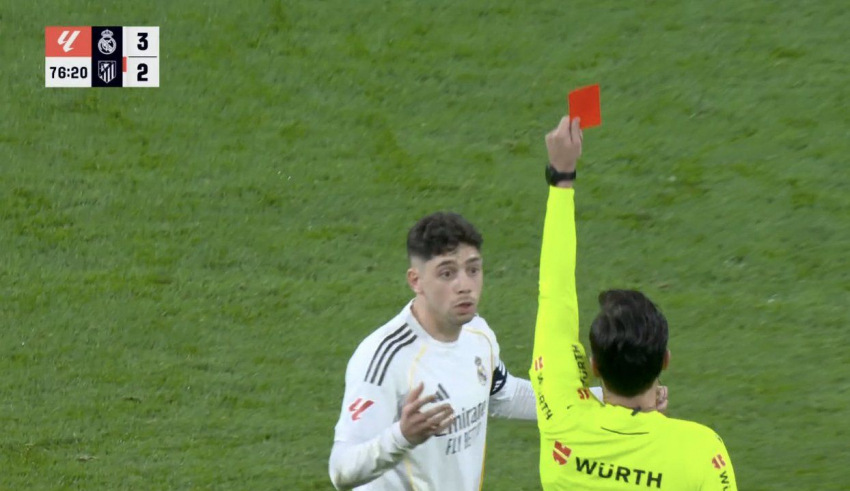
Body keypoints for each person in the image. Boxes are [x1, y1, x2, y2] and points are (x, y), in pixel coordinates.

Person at [531, 115, 738, 490]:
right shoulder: (701, 451)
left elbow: (555, 294)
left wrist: (562, 177)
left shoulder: (562, 417)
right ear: (665, 360)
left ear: (594, 367)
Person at [328, 212, 545, 490]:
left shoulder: (478, 333)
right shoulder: (384, 358)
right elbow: (341, 470)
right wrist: (402, 436)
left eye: (473, 270)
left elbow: (506, 395)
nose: (464, 286)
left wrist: (595, 399)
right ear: (415, 281)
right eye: (447, 273)